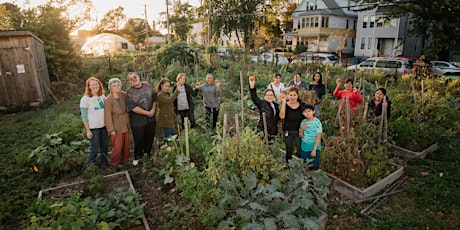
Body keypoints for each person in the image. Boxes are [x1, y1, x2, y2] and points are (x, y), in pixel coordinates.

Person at [126, 72, 156, 166]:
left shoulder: (148, 86)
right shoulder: (129, 92)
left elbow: (154, 98)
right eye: (131, 79)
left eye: (135, 77)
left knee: (150, 136)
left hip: (151, 118)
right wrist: (148, 113)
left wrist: (153, 110)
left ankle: (147, 153)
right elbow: (133, 107)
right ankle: (137, 156)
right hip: (138, 120)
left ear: (139, 77)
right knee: (139, 139)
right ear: (129, 81)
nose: (133, 79)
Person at [80, 77, 109, 169]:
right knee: (95, 148)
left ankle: (104, 164)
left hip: (103, 126)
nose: (95, 86)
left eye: (96, 84)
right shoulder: (85, 99)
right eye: (92, 84)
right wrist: (88, 130)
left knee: (104, 146)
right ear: (88, 87)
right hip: (93, 128)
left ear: (99, 85)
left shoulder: (102, 96)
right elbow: (84, 117)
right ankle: (89, 167)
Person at [104, 78, 130, 168]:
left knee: (126, 143)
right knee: (117, 146)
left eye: (118, 85)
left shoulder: (124, 94)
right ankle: (115, 163)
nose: (116, 87)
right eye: (114, 86)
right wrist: (111, 129)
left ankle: (125, 161)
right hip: (116, 125)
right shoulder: (108, 100)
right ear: (110, 88)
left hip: (125, 122)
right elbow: (107, 116)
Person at [249, 76, 280, 143]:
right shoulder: (262, 104)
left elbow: (278, 118)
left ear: (274, 96)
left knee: (270, 149)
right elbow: (254, 97)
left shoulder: (276, 106)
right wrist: (252, 86)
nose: (269, 97)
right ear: (264, 97)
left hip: (273, 132)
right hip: (262, 131)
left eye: (271, 95)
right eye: (267, 95)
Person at [279, 87, 305, 163]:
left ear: (297, 96)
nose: (293, 97)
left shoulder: (302, 106)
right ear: (288, 96)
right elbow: (282, 116)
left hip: (299, 131)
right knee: (289, 150)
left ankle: (301, 167)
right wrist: (283, 102)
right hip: (288, 131)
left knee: (300, 150)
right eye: (291, 95)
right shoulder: (285, 105)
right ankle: (289, 167)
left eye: (294, 95)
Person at [299, 104, 323, 170]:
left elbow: (319, 136)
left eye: (309, 111)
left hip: (314, 147)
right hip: (304, 147)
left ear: (313, 111)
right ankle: (306, 179)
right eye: (305, 112)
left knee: (314, 166)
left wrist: (314, 149)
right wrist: (301, 129)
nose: (307, 113)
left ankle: (313, 179)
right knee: (305, 166)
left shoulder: (317, 122)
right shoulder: (303, 122)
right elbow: (300, 135)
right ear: (303, 113)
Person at [156, 78, 180, 145]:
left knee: (171, 136)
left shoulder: (166, 94)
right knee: (169, 138)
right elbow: (169, 100)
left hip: (169, 118)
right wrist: (177, 91)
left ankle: (170, 150)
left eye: (168, 86)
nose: (167, 88)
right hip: (165, 119)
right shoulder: (160, 95)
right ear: (161, 86)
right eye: (166, 86)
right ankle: (168, 150)